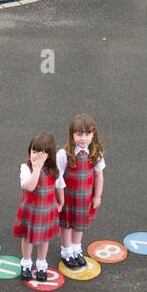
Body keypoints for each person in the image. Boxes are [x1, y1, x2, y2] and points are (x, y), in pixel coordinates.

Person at [13, 133, 65, 281]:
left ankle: (41, 263)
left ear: (49, 155)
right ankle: (26, 263)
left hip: (47, 210)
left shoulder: (54, 170)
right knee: (28, 238)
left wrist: (61, 202)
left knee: (44, 239)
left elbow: (59, 186)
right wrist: (36, 168)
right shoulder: (26, 168)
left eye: (41, 153)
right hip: (31, 210)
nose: (36, 156)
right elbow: (29, 187)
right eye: (34, 151)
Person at [57, 113, 104, 269]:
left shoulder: (96, 153)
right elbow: (57, 177)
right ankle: (66, 251)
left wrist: (97, 195)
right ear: (72, 135)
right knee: (67, 224)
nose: (83, 138)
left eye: (87, 134)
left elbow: (99, 175)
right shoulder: (64, 154)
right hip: (68, 199)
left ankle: (76, 248)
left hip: (85, 199)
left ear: (93, 134)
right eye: (79, 134)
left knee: (80, 224)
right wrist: (59, 199)